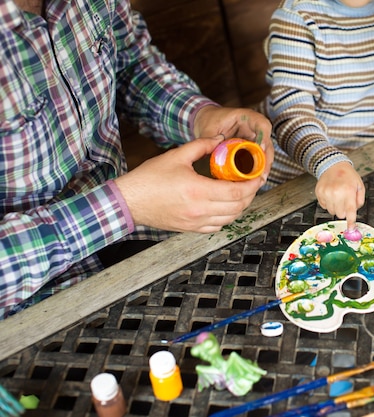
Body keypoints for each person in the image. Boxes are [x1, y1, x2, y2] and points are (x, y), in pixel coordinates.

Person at [0, 0, 274, 319]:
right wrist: (125, 205)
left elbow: (130, 64)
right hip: (31, 310)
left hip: (134, 238)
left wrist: (200, 117)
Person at [258, 0, 374, 231]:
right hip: (289, 176)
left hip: (363, 161)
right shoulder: (297, 15)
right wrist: (331, 165)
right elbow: (289, 114)